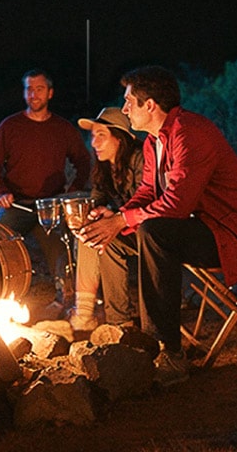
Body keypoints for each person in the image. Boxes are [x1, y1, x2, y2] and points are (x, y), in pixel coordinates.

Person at [77, 66, 237, 387]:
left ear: (150, 105)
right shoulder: (154, 141)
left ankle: (169, 352)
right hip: (204, 226)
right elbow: (148, 193)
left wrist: (122, 219)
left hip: (235, 233)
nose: (125, 110)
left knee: (154, 233)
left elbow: (176, 205)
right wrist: (116, 220)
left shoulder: (189, 133)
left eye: (129, 103)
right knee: (112, 238)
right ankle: (124, 330)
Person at [0, 70, 93, 297]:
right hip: (16, 204)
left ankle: (67, 299)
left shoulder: (62, 128)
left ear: (50, 93)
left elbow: (83, 160)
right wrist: (1, 191)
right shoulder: (10, 126)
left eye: (39, 89)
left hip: (51, 205)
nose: (34, 94)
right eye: (29, 89)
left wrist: (73, 191)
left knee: (62, 252)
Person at [67, 107, 142, 331]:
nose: (94, 143)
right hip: (126, 225)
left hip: (149, 228)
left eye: (101, 135)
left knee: (102, 235)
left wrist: (115, 216)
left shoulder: (140, 158)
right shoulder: (104, 166)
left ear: (120, 139)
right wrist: (95, 212)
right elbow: (98, 195)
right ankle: (85, 313)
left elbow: (146, 200)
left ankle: (118, 320)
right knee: (90, 231)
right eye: (93, 136)